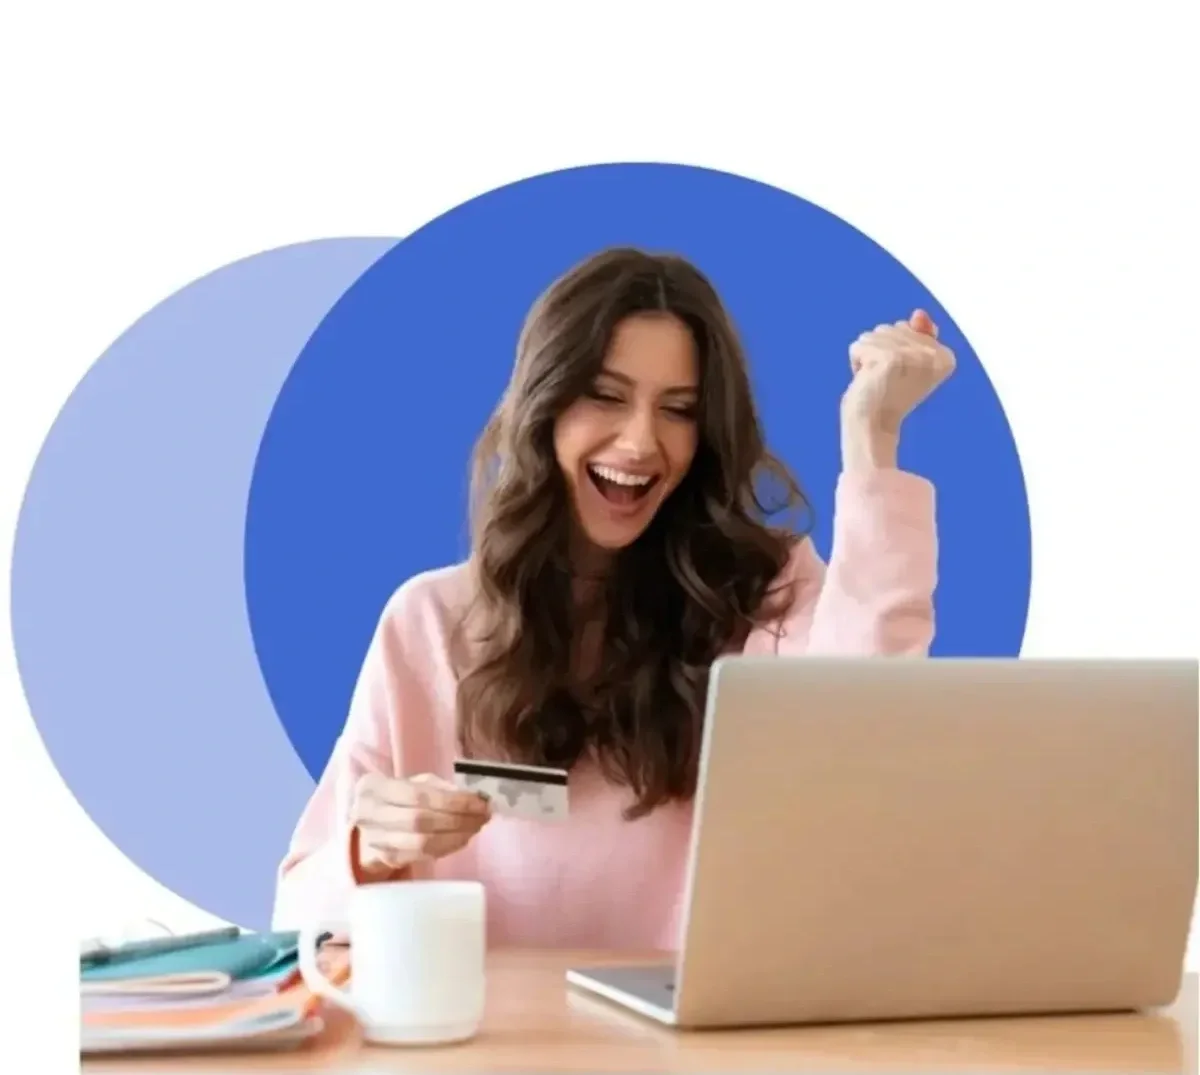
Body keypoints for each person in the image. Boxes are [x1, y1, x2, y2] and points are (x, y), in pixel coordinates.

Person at [272, 246, 955, 949]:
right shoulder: (430, 622)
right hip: (490, 1044)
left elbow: (868, 722)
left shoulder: (765, 596)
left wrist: (872, 438)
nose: (639, 441)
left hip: (702, 1044)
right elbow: (297, 910)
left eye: (678, 409)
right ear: (545, 403)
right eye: (604, 395)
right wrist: (370, 851)